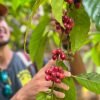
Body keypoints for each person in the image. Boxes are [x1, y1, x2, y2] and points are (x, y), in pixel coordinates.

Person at [0, 3, 85, 100]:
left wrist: (67, 40)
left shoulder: (29, 61)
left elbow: (78, 78)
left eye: (0, 19)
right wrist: (22, 95)